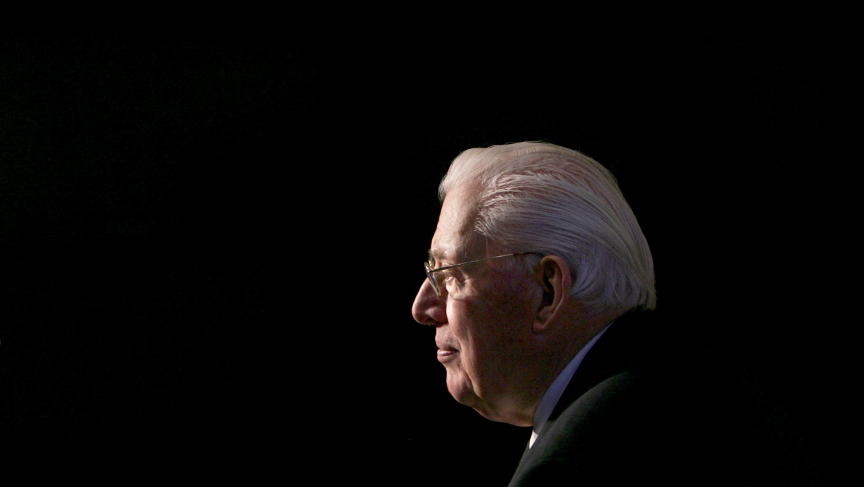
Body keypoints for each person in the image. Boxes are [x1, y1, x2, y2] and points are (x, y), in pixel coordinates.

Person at [411, 141, 821, 486]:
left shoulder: (578, 463)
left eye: (450, 276)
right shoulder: (705, 391)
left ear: (547, 293)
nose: (422, 308)